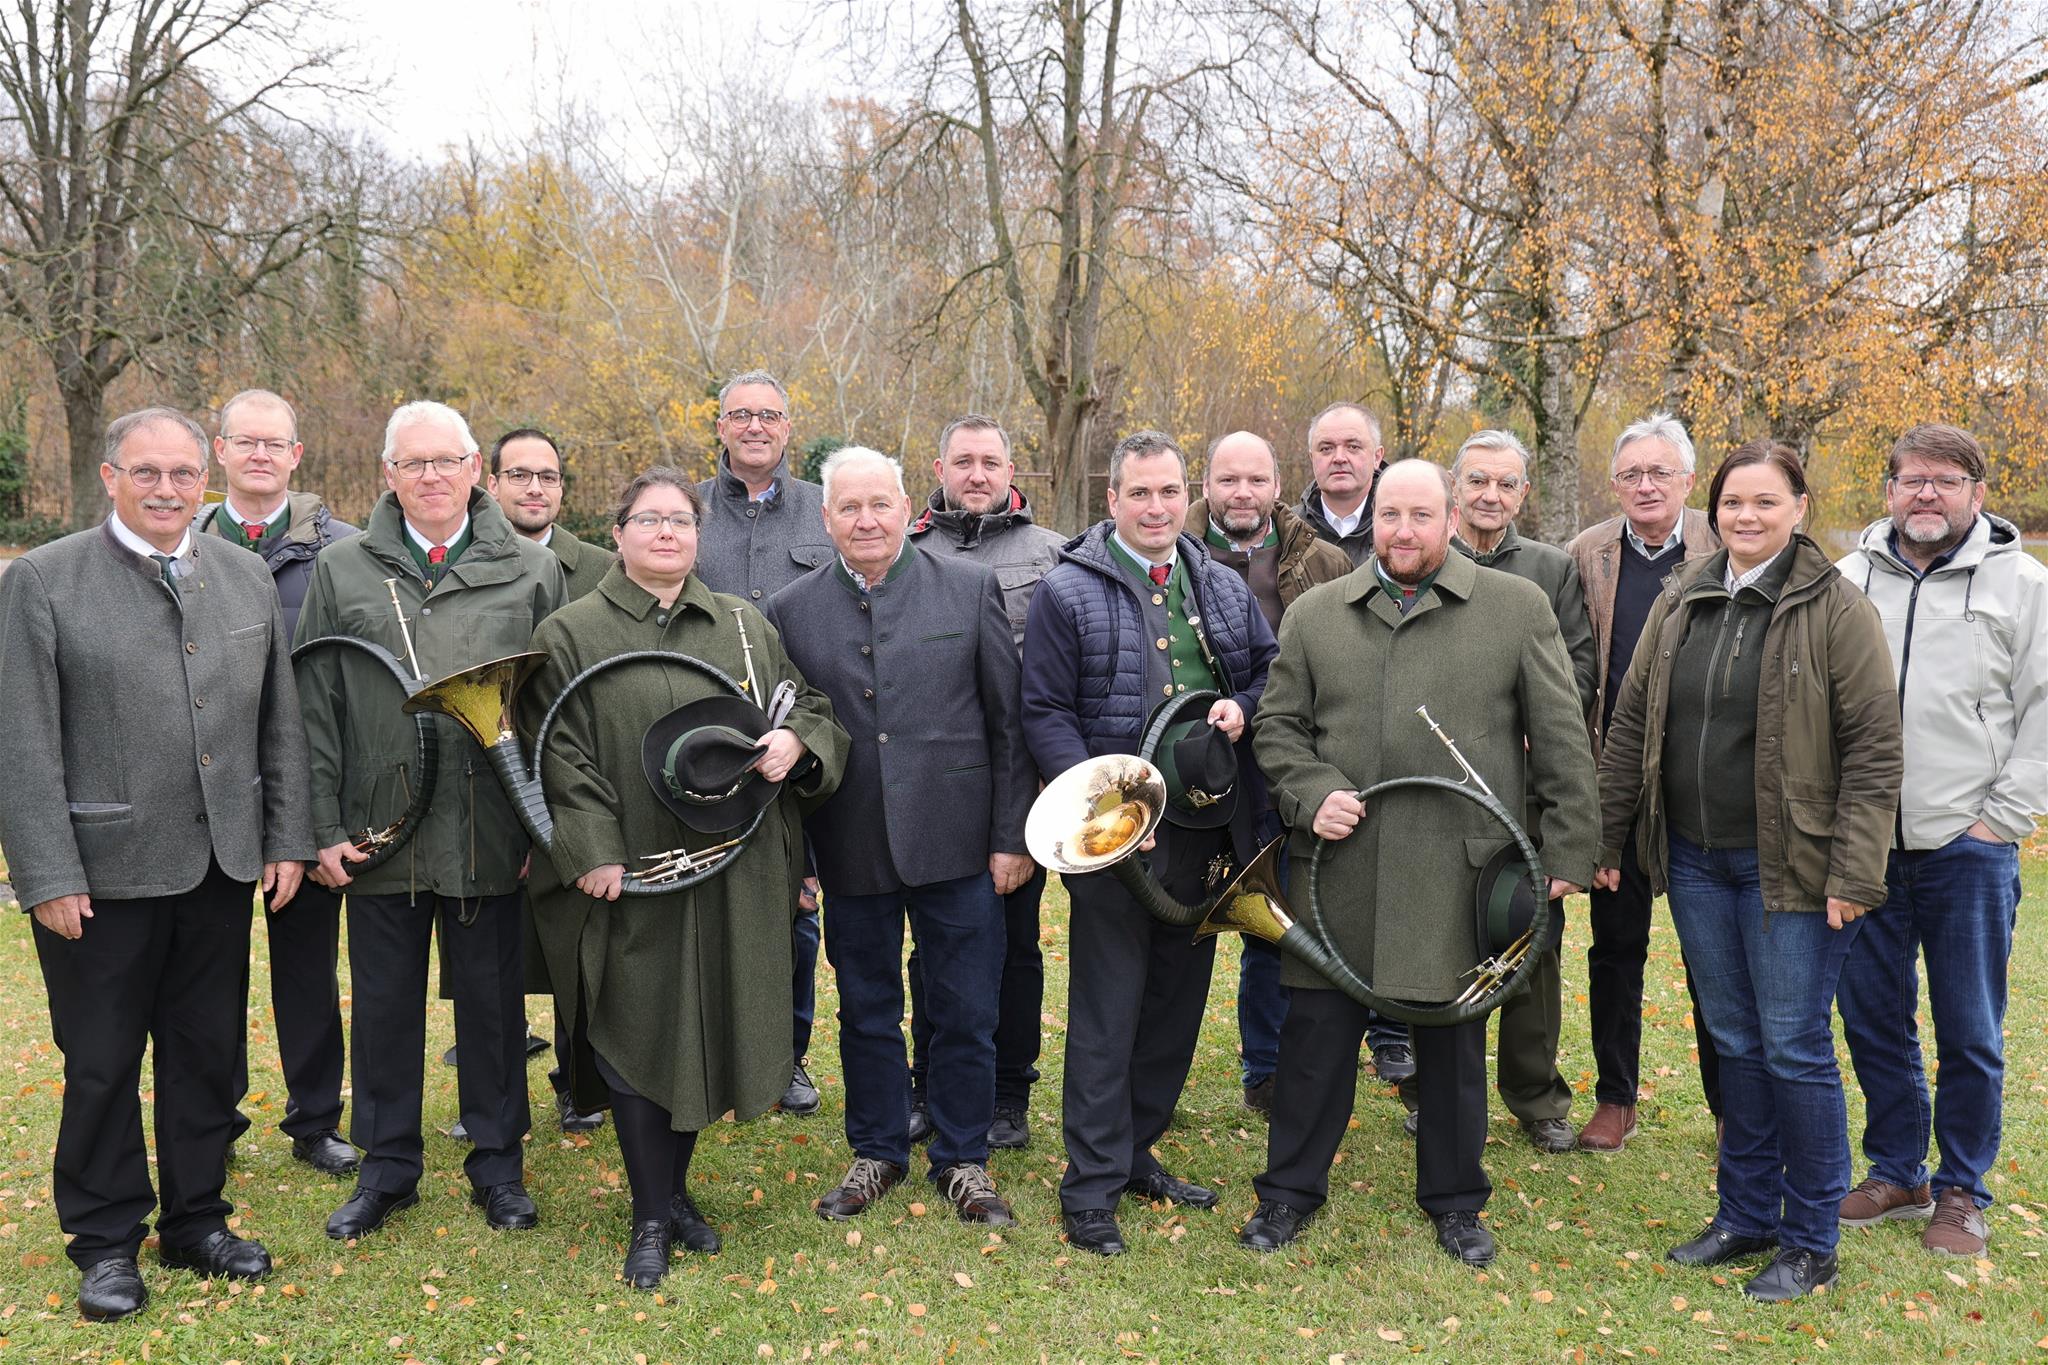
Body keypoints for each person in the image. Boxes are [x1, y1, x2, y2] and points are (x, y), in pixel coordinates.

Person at [0, 407, 313, 1320]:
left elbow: (277, 723)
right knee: (100, 1061)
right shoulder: (46, 581)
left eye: (183, 473)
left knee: (206, 1055)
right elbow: (22, 741)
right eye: (148, 473)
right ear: (110, 476)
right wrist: (46, 870)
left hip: (219, 863)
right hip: (98, 876)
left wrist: (284, 836)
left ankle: (195, 1219)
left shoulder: (246, 575)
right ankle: (105, 1239)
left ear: (203, 478)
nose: (168, 489)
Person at [1246, 459, 1595, 1267]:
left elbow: (1562, 735)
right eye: (1390, 515)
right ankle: (1288, 1192)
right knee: (1314, 1046)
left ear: (1449, 520)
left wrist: (1569, 848)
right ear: (1373, 519)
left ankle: (1455, 1200)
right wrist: (1311, 791)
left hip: (1460, 874)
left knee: (1453, 1050)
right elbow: (1277, 730)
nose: (1404, 531)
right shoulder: (1315, 614)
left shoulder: (1516, 607)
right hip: (1340, 874)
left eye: (1421, 516)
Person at [525, 467, 847, 1288]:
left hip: (731, 865)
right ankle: (649, 1213)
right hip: (633, 867)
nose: (667, 533)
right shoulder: (571, 631)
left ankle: (672, 1193)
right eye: (649, 519)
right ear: (619, 530)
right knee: (638, 1021)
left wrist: (797, 742)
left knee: (706, 1021)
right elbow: (554, 748)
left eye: (681, 520)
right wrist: (591, 846)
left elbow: (803, 701)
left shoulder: (741, 623)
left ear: (698, 534)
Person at [1596, 440, 1901, 1300]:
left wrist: (1854, 870)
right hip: (1694, 862)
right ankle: (1746, 1213)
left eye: (1766, 502)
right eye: (1734, 503)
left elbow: (1876, 750)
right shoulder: (1683, 597)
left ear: (1800, 507)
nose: (1747, 517)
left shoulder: (1836, 609)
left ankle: (1810, 1239)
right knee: (1734, 1042)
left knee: (1795, 1047)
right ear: (1714, 509)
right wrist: (1607, 840)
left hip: (1795, 870)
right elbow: (1629, 728)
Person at [296, 400, 566, 1241]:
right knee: (382, 1006)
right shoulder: (341, 569)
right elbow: (316, 702)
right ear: (388, 475)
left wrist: (539, 823)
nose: (431, 477)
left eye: (446, 461)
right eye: (412, 464)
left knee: (490, 1004)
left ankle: (498, 1165)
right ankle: (387, 1170)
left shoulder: (527, 567)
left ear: (475, 468)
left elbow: (556, 708)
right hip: (382, 829)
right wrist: (323, 824)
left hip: (490, 826)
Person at [1021, 430, 1277, 1256]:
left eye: (1170, 492)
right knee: (1108, 1008)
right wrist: (1107, 804)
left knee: (1174, 1006)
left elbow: (1270, 672)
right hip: (1114, 839)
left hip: (1205, 832)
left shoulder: (1221, 582)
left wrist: (1246, 705)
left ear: (1186, 495)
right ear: (1113, 500)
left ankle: (1136, 1153)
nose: (1158, 506)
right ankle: (1089, 1187)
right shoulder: (1067, 591)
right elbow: (1045, 712)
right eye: (1141, 493)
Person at [770, 447, 1034, 1226]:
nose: (866, 519)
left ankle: (962, 1157)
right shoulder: (792, 608)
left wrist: (1009, 836)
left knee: (963, 1007)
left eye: (879, 503)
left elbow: (1007, 723)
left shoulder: (969, 587)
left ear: (903, 506)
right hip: (849, 841)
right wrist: (800, 859)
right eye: (848, 507)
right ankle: (878, 1148)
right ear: (827, 519)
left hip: (959, 841)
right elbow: (795, 735)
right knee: (867, 1006)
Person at [1834, 424, 2046, 1257]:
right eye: (1912, 479)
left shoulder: (2022, 584)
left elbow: (2040, 710)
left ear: (1978, 493)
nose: (1928, 493)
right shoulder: (1848, 580)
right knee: (1874, 1020)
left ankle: (1961, 1189)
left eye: (1947, 480)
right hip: (1866, 844)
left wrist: (2003, 818)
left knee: (1970, 1028)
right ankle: (1898, 1168)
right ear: (1888, 490)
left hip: (1970, 844)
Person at [193, 388, 360, 1178]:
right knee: (206, 970)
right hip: (205, 799)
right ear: (218, 452)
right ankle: (212, 1114)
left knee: (307, 966)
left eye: (276, 444)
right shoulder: (178, 545)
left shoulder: (343, 554)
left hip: (305, 793)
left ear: (297, 456)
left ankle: (315, 1118)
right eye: (244, 442)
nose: (260, 455)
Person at [903, 414, 1065, 1150]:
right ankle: (927, 1080)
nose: (976, 474)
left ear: (1011, 470)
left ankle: (1007, 1088)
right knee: (931, 947)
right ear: (939, 466)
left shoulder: (1055, 555)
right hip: (930, 792)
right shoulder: (904, 551)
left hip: (1018, 790)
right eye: (962, 461)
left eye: (989, 461)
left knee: (1015, 946)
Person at [1435, 429, 1599, 1154]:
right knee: (1438, 939)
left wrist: (1538, 724)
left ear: (1523, 493)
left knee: (1534, 942)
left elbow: (1577, 667)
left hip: (1524, 790)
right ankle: (1437, 1085)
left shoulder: (1549, 569)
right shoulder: (1425, 555)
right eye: (1478, 481)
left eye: (1506, 484)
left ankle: (1536, 1094)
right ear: (1455, 484)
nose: (1490, 495)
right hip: (1442, 785)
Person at [1565, 414, 1722, 1152]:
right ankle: (1615, 1096)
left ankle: (1732, 1107)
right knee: (1615, 948)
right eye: (1631, 473)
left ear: (1689, 481)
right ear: (1615, 483)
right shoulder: (1587, 554)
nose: (1646, 485)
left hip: (1698, 786)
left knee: (1711, 956)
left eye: (1661, 472)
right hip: (1616, 779)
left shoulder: (1726, 549)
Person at [1187, 429, 1349, 1116]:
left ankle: (1268, 1068)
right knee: (1180, 919)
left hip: (1289, 760)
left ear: (1277, 484)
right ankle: (1153, 1071)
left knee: (1271, 916)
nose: (1243, 493)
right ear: (1208, 484)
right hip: (1195, 754)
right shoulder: (1175, 549)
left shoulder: (1324, 558)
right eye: (1229, 479)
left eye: (1256, 479)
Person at [692, 369, 836, 1117]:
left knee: (796, 906)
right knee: (703, 900)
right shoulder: (686, 512)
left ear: (790, 426)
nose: (754, 426)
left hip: (799, 738)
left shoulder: (825, 510)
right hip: (698, 740)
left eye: (769, 415)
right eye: (739, 415)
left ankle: (787, 1055)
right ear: (719, 426)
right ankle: (712, 1052)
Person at [466, 424, 612, 1136]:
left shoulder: (604, 566)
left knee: (577, 946)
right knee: (493, 950)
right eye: (518, 474)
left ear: (562, 488)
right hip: (488, 780)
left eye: (547, 476)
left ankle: (578, 1081)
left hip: (575, 782)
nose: (533, 487)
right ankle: (491, 1094)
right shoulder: (467, 558)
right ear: (490, 483)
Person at [1289, 401, 1411, 1083]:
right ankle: (1272, 1057)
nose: (1340, 456)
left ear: (1377, 455)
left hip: (1396, 739)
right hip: (1313, 732)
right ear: (1311, 459)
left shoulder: (1406, 522)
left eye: (1353, 445)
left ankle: (1391, 1031)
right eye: (1326, 446)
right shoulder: (1288, 532)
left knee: (1397, 892)